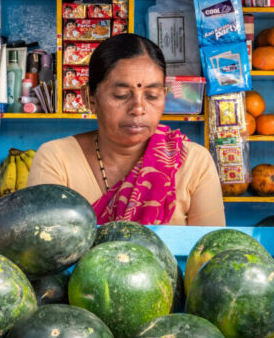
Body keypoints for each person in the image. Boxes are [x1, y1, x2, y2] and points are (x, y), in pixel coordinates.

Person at [28, 33, 225, 225]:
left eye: (152, 95)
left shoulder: (194, 162)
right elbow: (45, 250)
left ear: (165, 95)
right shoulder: (56, 159)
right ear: (90, 98)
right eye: (121, 95)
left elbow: (210, 251)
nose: (138, 109)